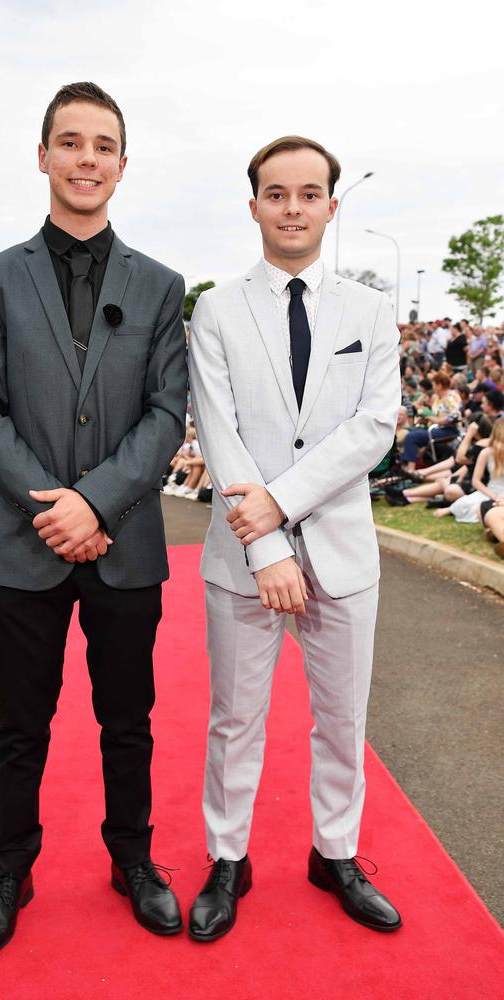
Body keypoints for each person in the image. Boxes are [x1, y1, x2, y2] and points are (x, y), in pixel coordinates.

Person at [0, 81, 187, 958]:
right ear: (44, 154)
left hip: (126, 545)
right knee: (23, 725)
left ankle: (133, 859)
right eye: (71, 142)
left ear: (123, 166)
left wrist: (96, 503)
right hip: (25, 549)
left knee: (128, 720)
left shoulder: (162, 287)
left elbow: (167, 414)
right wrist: (55, 509)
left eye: (104, 146)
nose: (87, 158)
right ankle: (9, 869)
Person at [188, 134, 402, 941]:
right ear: (254, 207)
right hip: (243, 556)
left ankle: (335, 854)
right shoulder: (215, 307)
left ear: (331, 207)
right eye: (276, 194)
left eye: (309, 194)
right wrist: (268, 545)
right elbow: (219, 430)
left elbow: (372, 427)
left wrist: (281, 507)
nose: (292, 208)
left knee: (343, 720)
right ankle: (227, 858)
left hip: (344, 551)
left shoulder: (370, 310)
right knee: (235, 718)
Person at [472, 418, 504, 557]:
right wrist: (496, 497)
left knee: (491, 514)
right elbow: (476, 481)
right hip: (494, 494)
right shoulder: (487, 452)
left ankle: (496, 534)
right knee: (482, 509)